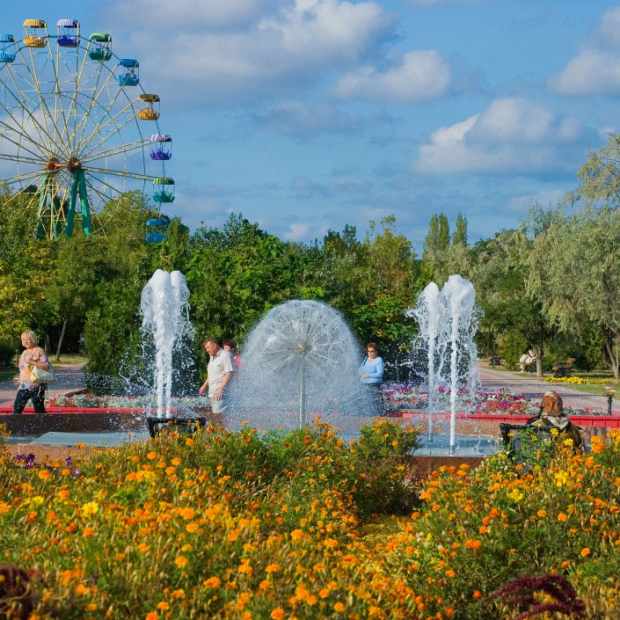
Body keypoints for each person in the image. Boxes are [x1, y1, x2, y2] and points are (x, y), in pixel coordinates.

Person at [13, 330, 49, 415]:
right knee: (17, 406)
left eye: (28, 339)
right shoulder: (24, 352)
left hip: (37, 384)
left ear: (33, 339)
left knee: (38, 407)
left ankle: (44, 425)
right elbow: (23, 369)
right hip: (24, 384)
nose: (26, 341)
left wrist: (32, 362)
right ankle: (15, 425)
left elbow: (46, 366)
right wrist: (19, 377)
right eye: (23, 339)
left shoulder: (39, 351)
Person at [199, 338, 234, 414]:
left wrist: (221, 388)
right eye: (206, 348)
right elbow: (212, 373)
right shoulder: (212, 357)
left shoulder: (225, 355)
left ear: (214, 345)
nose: (207, 350)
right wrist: (204, 386)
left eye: (208, 347)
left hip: (220, 393)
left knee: (219, 417)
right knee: (216, 416)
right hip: (212, 393)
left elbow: (229, 373)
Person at [359, 342, 384, 414]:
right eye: (368, 351)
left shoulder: (379, 360)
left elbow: (380, 374)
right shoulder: (366, 359)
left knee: (376, 405)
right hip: (364, 385)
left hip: (374, 386)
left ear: (376, 352)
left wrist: (368, 375)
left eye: (372, 351)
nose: (370, 353)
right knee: (365, 405)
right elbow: (360, 370)